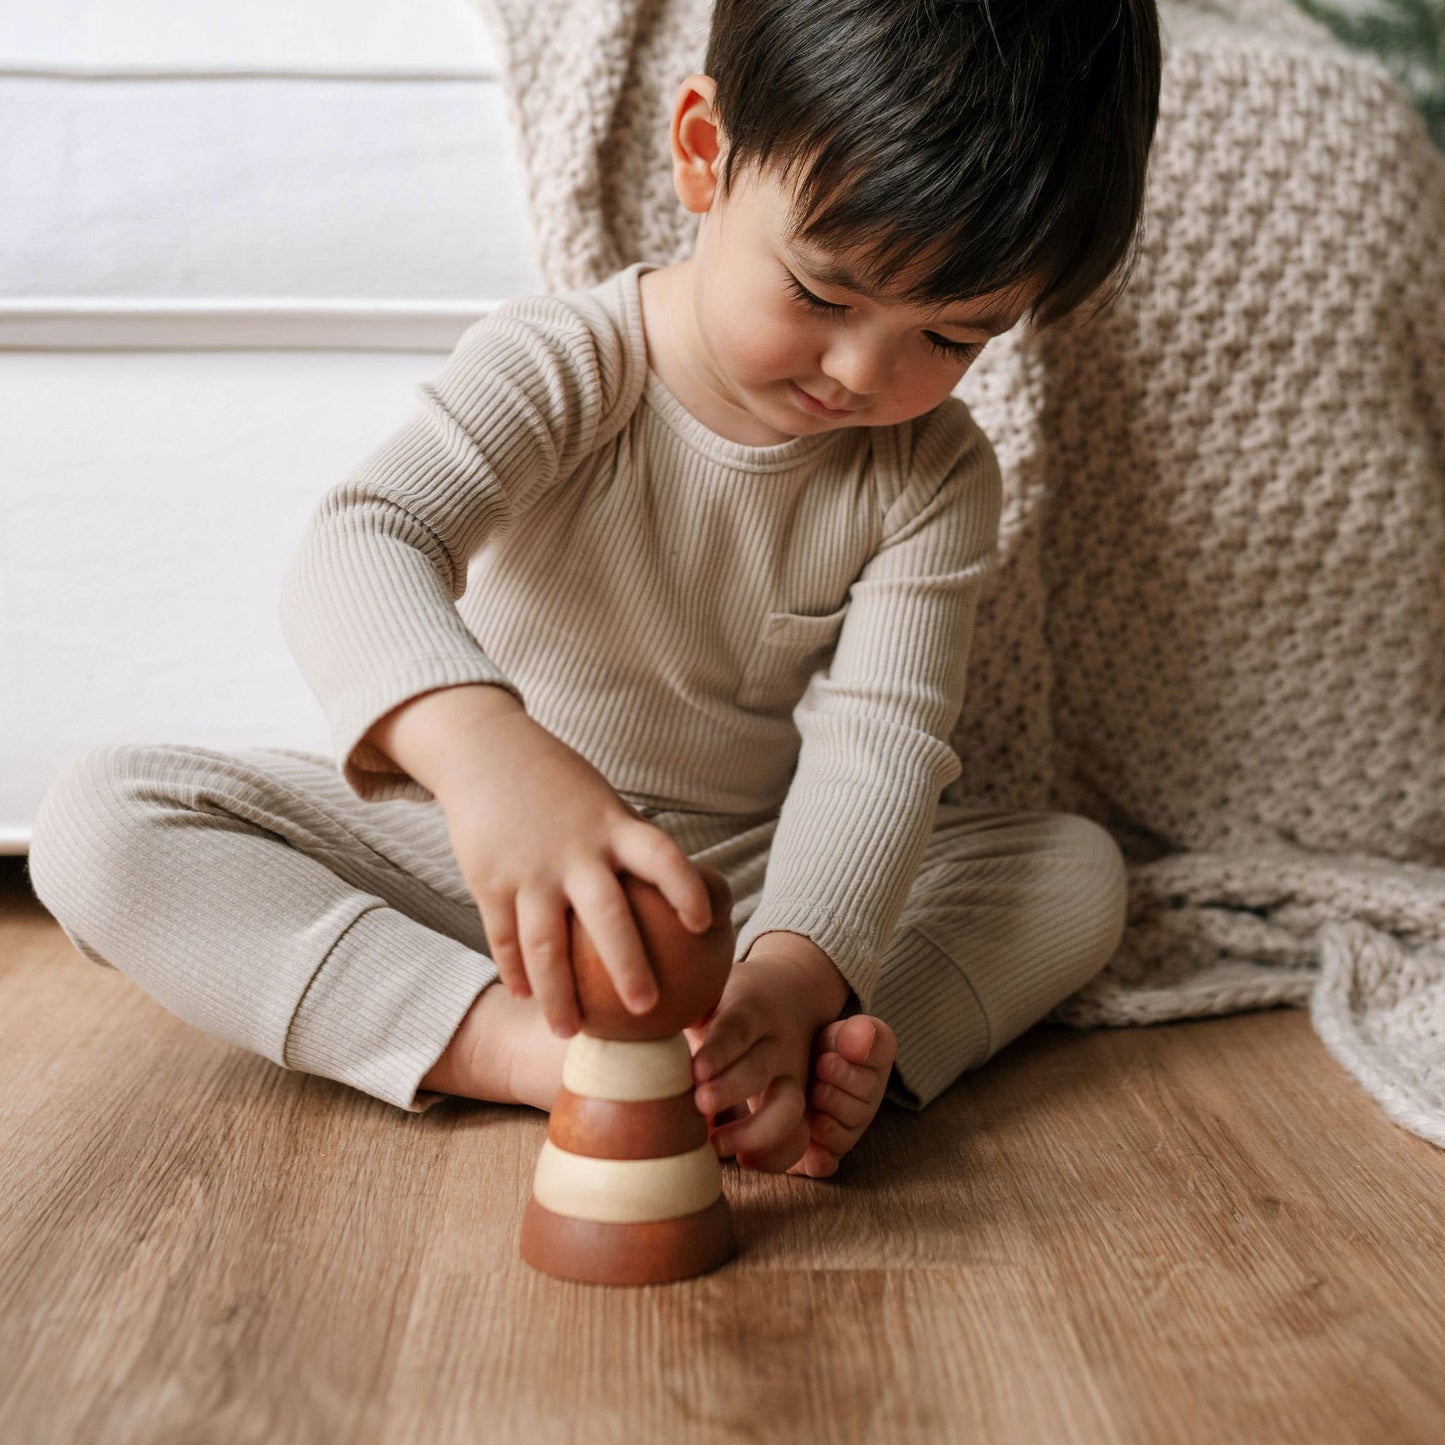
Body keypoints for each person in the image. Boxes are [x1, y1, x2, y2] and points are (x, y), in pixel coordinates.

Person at [26, 0, 1160, 1178]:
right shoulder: (568, 362)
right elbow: (362, 538)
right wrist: (488, 763)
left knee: (1073, 872)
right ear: (703, 152)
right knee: (100, 822)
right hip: (468, 866)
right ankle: (519, 1048)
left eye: (952, 338)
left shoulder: (932, 472)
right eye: (823, 295)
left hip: (736, 889)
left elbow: (878, 742)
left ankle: (782, 1057)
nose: (861, 371)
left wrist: (793, 966)